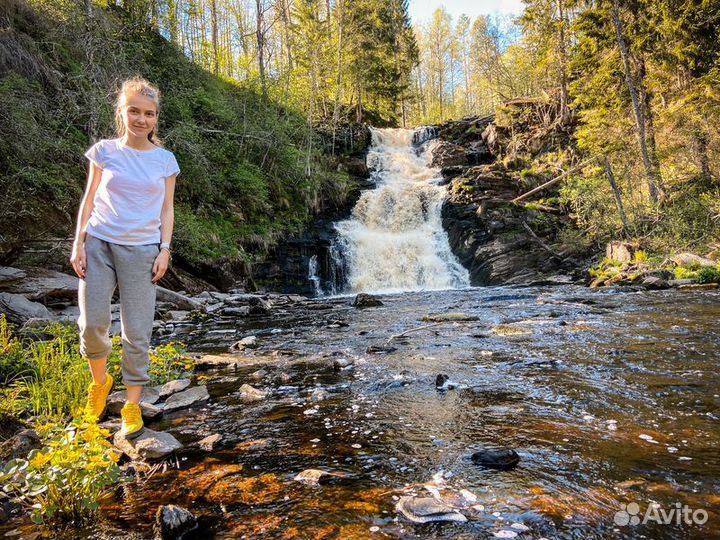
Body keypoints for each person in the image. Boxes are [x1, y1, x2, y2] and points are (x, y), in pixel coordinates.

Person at [70, 77, 180, 439]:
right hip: (99, 243)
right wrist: (78, 242)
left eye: (149, 113)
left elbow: (167, 210)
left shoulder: (165, 160)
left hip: (143, 251)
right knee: (91, 323)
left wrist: (165, 249)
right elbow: (88, 199)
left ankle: (132, 403)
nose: (141, 119)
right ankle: (100, 383)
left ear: (156, 119)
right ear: (122, 112)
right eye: (134, 110)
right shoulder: (103, 151)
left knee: (137, 331)